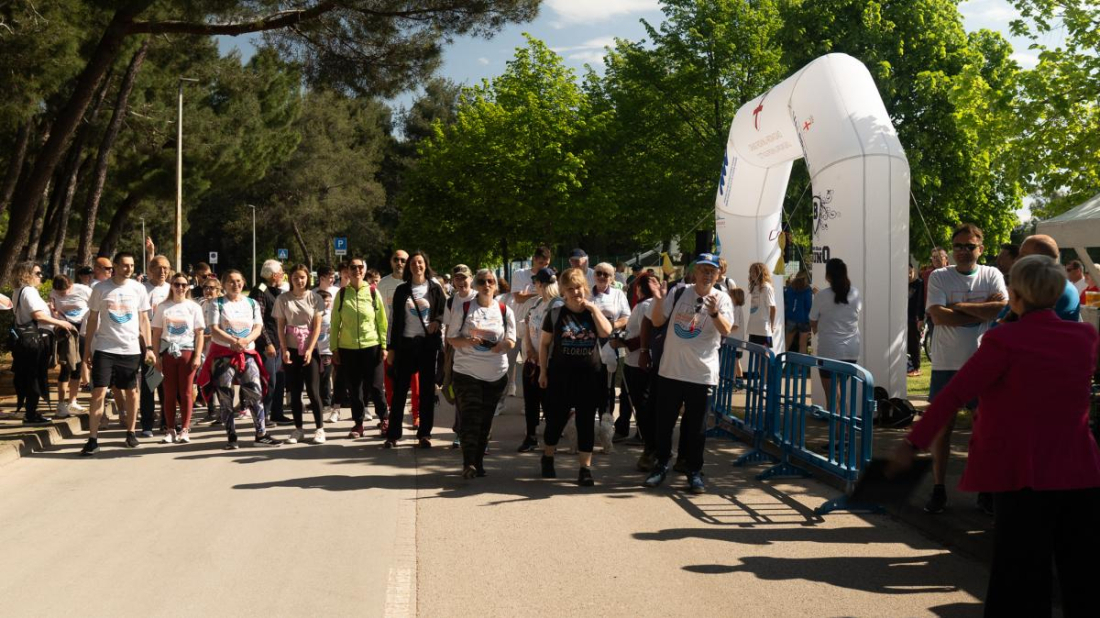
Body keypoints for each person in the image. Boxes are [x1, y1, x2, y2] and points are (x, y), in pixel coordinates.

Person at [890, 254, 1100, 617]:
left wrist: (913, 442)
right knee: (1079, 574)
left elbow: (953, 395)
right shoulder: (1085, 337)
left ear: (1016, 297)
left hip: (1021, 474)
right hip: (1078, 471)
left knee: (1018, 577)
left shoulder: (1004, 341)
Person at [923, 223, 1007, 514]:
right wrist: (980, 309)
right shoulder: (938, 276)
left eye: (969, 246)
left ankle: (985, 490)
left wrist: (957, 306)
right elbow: (938, 317)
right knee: (941, 431)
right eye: (958, 246)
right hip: (946, 364)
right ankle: (938, 489)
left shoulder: (992, 274)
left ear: (980, 249)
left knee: (983, 431)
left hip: (983, 364)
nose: (963, 251)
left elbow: (1000, 310)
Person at [642, 253, 733, 493]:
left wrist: (714, 313)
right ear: (695, 272)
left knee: (696, 428)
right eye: (703, 269)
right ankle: (661, 466)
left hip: (701, 374)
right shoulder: (679, 292)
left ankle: (694, 471)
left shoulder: (722, 299)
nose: (707, 274)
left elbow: (726, 330)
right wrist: (660, 300)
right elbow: (658, 321)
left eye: (711, 271)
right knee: (664, 425)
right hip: (671, 371)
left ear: (718, 274)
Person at [537, 267, 613, 485]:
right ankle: (548, 457)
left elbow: (606, 332)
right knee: (557, 420)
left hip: (590, 376)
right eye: (570, 289)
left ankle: (584, 469)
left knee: (586, 422)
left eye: (579, 287)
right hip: (561, 375)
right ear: (563, 291)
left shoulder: (592, 312)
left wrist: (593, 309)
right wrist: (543, 371)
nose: (576, 292)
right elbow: (544, 344)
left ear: (585, 288)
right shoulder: (555, 314)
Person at [79, 253, 154, 455]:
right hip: (104, 348)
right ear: (115, 266)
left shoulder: (138, 288)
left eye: (132, 265)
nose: (129, 268)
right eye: (125, 265)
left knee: (131, 392)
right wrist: (87, 350)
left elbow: (144, 320)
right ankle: (92, 439)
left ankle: (130, 433)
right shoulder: (100, 289)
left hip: (130, 349)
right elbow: (92, 319)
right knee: (98, 393)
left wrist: (148, 348)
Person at [201, 269, 282, 449]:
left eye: (238, 281)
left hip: (247, 352)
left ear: (243, 282)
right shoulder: (217, 303)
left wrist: (245, 341)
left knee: (255, 391)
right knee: (225, 394)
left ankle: (261, 433)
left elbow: (258, 327)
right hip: (222, 354)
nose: (235, 284)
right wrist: (233, 341)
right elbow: (214, 328)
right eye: (231, 281)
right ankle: (231, 436)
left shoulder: (251, 303)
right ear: (223, 284)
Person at [447, 269, 516, 478]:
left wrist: (501, 345)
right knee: (470, 418)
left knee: (485, 421)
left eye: (490, 281)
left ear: (496, 285)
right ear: (476, 286)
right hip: (467, 372)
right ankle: (468, 463)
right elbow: (451, 338)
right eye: (482, 281)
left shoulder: (505, 311)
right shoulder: (465, 307)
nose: (487, 285)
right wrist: (468, 341)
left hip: (495, 375)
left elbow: (511, 341)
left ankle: (478, 462)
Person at [385, 251, 445, 448]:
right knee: (400, 391)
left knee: (427, 392)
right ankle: (393, 434)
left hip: (427, 347)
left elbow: (445, 313)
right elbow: (393, 321)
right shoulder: (402, 290)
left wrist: (436, 321)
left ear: (426, 265)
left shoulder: (435, 288)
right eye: (413, 263)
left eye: (420, 262)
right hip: (405, 346)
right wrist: (391, 348)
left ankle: (424, 434)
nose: (416, 266)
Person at [10, 263, 77, 425]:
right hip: (37, 340)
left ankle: (31, 412)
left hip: (25, 340)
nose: (41, 276)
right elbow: (38, 316)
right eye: (38, 273)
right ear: (26, 274)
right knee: (35, 376)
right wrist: (61, 323)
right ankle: (31, 414)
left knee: (29, 376)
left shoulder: (18, 291)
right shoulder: (30, 291)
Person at [331, 256, 389, 440]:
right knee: (354, 388)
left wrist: (384, 345)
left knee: (376, 387)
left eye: (360, 267)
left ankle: (385, 419)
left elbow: (382, 321)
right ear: (347, 271)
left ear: (365, 270)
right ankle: (358, 423)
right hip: (348, 348)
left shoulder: (373, 292)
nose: (357, 270)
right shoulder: (341, 295)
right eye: (353, 267)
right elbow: (334, 324)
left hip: (371, 346)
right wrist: (335, 348)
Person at [273, 264, 326, 444]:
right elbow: (280, 326)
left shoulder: (315, 297)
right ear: (290, 279)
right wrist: (284, 349)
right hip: (291, 348)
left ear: (307, 278)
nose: (299, 280)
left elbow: (317, 326)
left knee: (313, 390)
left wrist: (311, 349)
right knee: (295, 392)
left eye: (302, 277)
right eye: (295, 277)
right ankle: (298, 429)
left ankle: (319, 428)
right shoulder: (283, 299)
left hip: (310, 348)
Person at [150, 272, 205, 443]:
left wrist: (197, 355)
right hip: (167, 353)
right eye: (176, 284)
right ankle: (170, 429)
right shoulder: (163, 307)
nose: (180, 288)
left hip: (187, 353)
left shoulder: (194, 307)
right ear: (171, 286)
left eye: (183, 285)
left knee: (186, 392)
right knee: (169, 393)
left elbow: (200, 333)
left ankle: (185, 429)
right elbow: (157, 333)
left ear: (188, 287)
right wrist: (157, 356)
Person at [613, 271, 658, 465]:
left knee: (641, 402)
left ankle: (644, 437)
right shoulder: (645, 305)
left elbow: (644, 337)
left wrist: (623, 344)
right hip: (633, 360)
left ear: (639, 288)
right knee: (629, 397)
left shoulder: (645, 306)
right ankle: (632, 431)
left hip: (638, 361)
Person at [809, 258, 863, 408]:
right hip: (851, 351)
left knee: (832, 397)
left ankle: (838, 430)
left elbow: (813, 320)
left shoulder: (821, 296)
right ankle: (843, 428)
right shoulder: (855, 293)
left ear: (828, 276)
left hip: (829, 351)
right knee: (839, 393)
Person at [378, 250, 421, 428]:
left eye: (403, 260)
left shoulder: (414, 283)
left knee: (415, 380)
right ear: (391, 261)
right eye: (396, 259)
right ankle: (391, 415)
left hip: (411, 339)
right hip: (389, 340)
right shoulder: (382, 284)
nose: (399, 263)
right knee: (390, 381)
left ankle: (416, 415)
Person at [517, 267, 558, 452]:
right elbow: (527, 324)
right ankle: (531, 436)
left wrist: (540, 355)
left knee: (549, 403)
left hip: (549, 364)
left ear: (541, 284)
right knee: (531, 401)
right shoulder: (537, 303)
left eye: (536, 282)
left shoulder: (557, 306)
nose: (534, 285)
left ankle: (551, 441)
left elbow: (555, 338)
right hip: (532, 361)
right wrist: (530, 351)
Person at [591, 262, 631, 435]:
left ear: (612, 277)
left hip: (610, 344)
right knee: (589, 386)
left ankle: (605, 429)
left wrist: (612, 324)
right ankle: (587, 426)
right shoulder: (586, 293)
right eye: (599, 273)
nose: (601, 277)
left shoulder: (618, 294)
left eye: (606, 274)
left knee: (607, 389)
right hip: (589, 345)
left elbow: (627, 317)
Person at [250, 259, 289, 425]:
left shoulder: (275, 290)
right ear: (274, 275)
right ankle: (264, 414)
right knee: (269, 381)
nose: (283, 275)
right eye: (281, 272)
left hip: (278, 342)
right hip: (267, 344)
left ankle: (277, 413)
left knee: (280, 380)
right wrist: (267, 343)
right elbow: (259, 321)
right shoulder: (260, 291)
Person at [441, 264, 476, 447]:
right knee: (458, 392)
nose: (461, 282)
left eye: (464, 278)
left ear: (471, 279)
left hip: (478, 353)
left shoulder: (480, 298)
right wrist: (447, 352)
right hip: (456, 352)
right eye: (457, 278)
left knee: (477, 395)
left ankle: (479, 435)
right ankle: (461, 431)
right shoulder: (450, 301)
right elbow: (447, 328)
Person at [49, 274, 91, 419]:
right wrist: (55, 313)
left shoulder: (83, 290)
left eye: (65, 291)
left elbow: (94, 306)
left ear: (71, 285)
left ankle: (73, 400)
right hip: (66, 331)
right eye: (60, 292)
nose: (63, 294)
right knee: (66, 366)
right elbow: (52, 308)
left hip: (82, 330)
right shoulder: (54, 293)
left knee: (78, 367)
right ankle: (60, 404)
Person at [140, 255, 172, 437]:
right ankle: (146, 423)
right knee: (148, 384)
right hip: (147, 342)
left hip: (167, 343)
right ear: (150, 269)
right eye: (159, 268)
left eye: (166, 268)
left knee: (166, 385)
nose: (163, 272)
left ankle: (166, 422)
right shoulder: (142, 289)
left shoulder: (172, 289)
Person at [746, 262, 777, 348]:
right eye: (750, 272)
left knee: (764, 354)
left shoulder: (766, 287)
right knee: (754, 352)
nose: (751, 274)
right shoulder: (754, 286)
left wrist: (772, 325)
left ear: (761, 272)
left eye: (754, 271)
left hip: (763, 328)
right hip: (753, 326)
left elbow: (773, 308)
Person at [316, 289, 335, 422]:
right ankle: (318, 401)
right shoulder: (315, 314)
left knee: (325, 377)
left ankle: (326, 402)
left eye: (329, 301)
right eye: (324, 301)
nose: (327, 303)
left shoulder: (331, 314)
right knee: (316, 378)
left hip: (327, 351)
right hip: (316, 350)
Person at [784, 270, 812, 353]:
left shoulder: (790, 288)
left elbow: (786, 302)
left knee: (786, 344)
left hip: (791, 318)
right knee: (802, 345)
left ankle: (781, 363)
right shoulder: (808, 290)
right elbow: (809, 305)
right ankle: (800, 366)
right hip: (804, 320)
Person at [907, 264, 925, 376]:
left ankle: (917, 368)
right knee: (908, 344)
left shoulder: (919, 283)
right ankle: (910, 366)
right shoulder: (902, 284)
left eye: (910, 272)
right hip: (904, 317)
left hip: (914, 318)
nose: (908, 275)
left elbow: (921, 302)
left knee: (914, 343)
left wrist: (920, 318)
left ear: (913, 270)